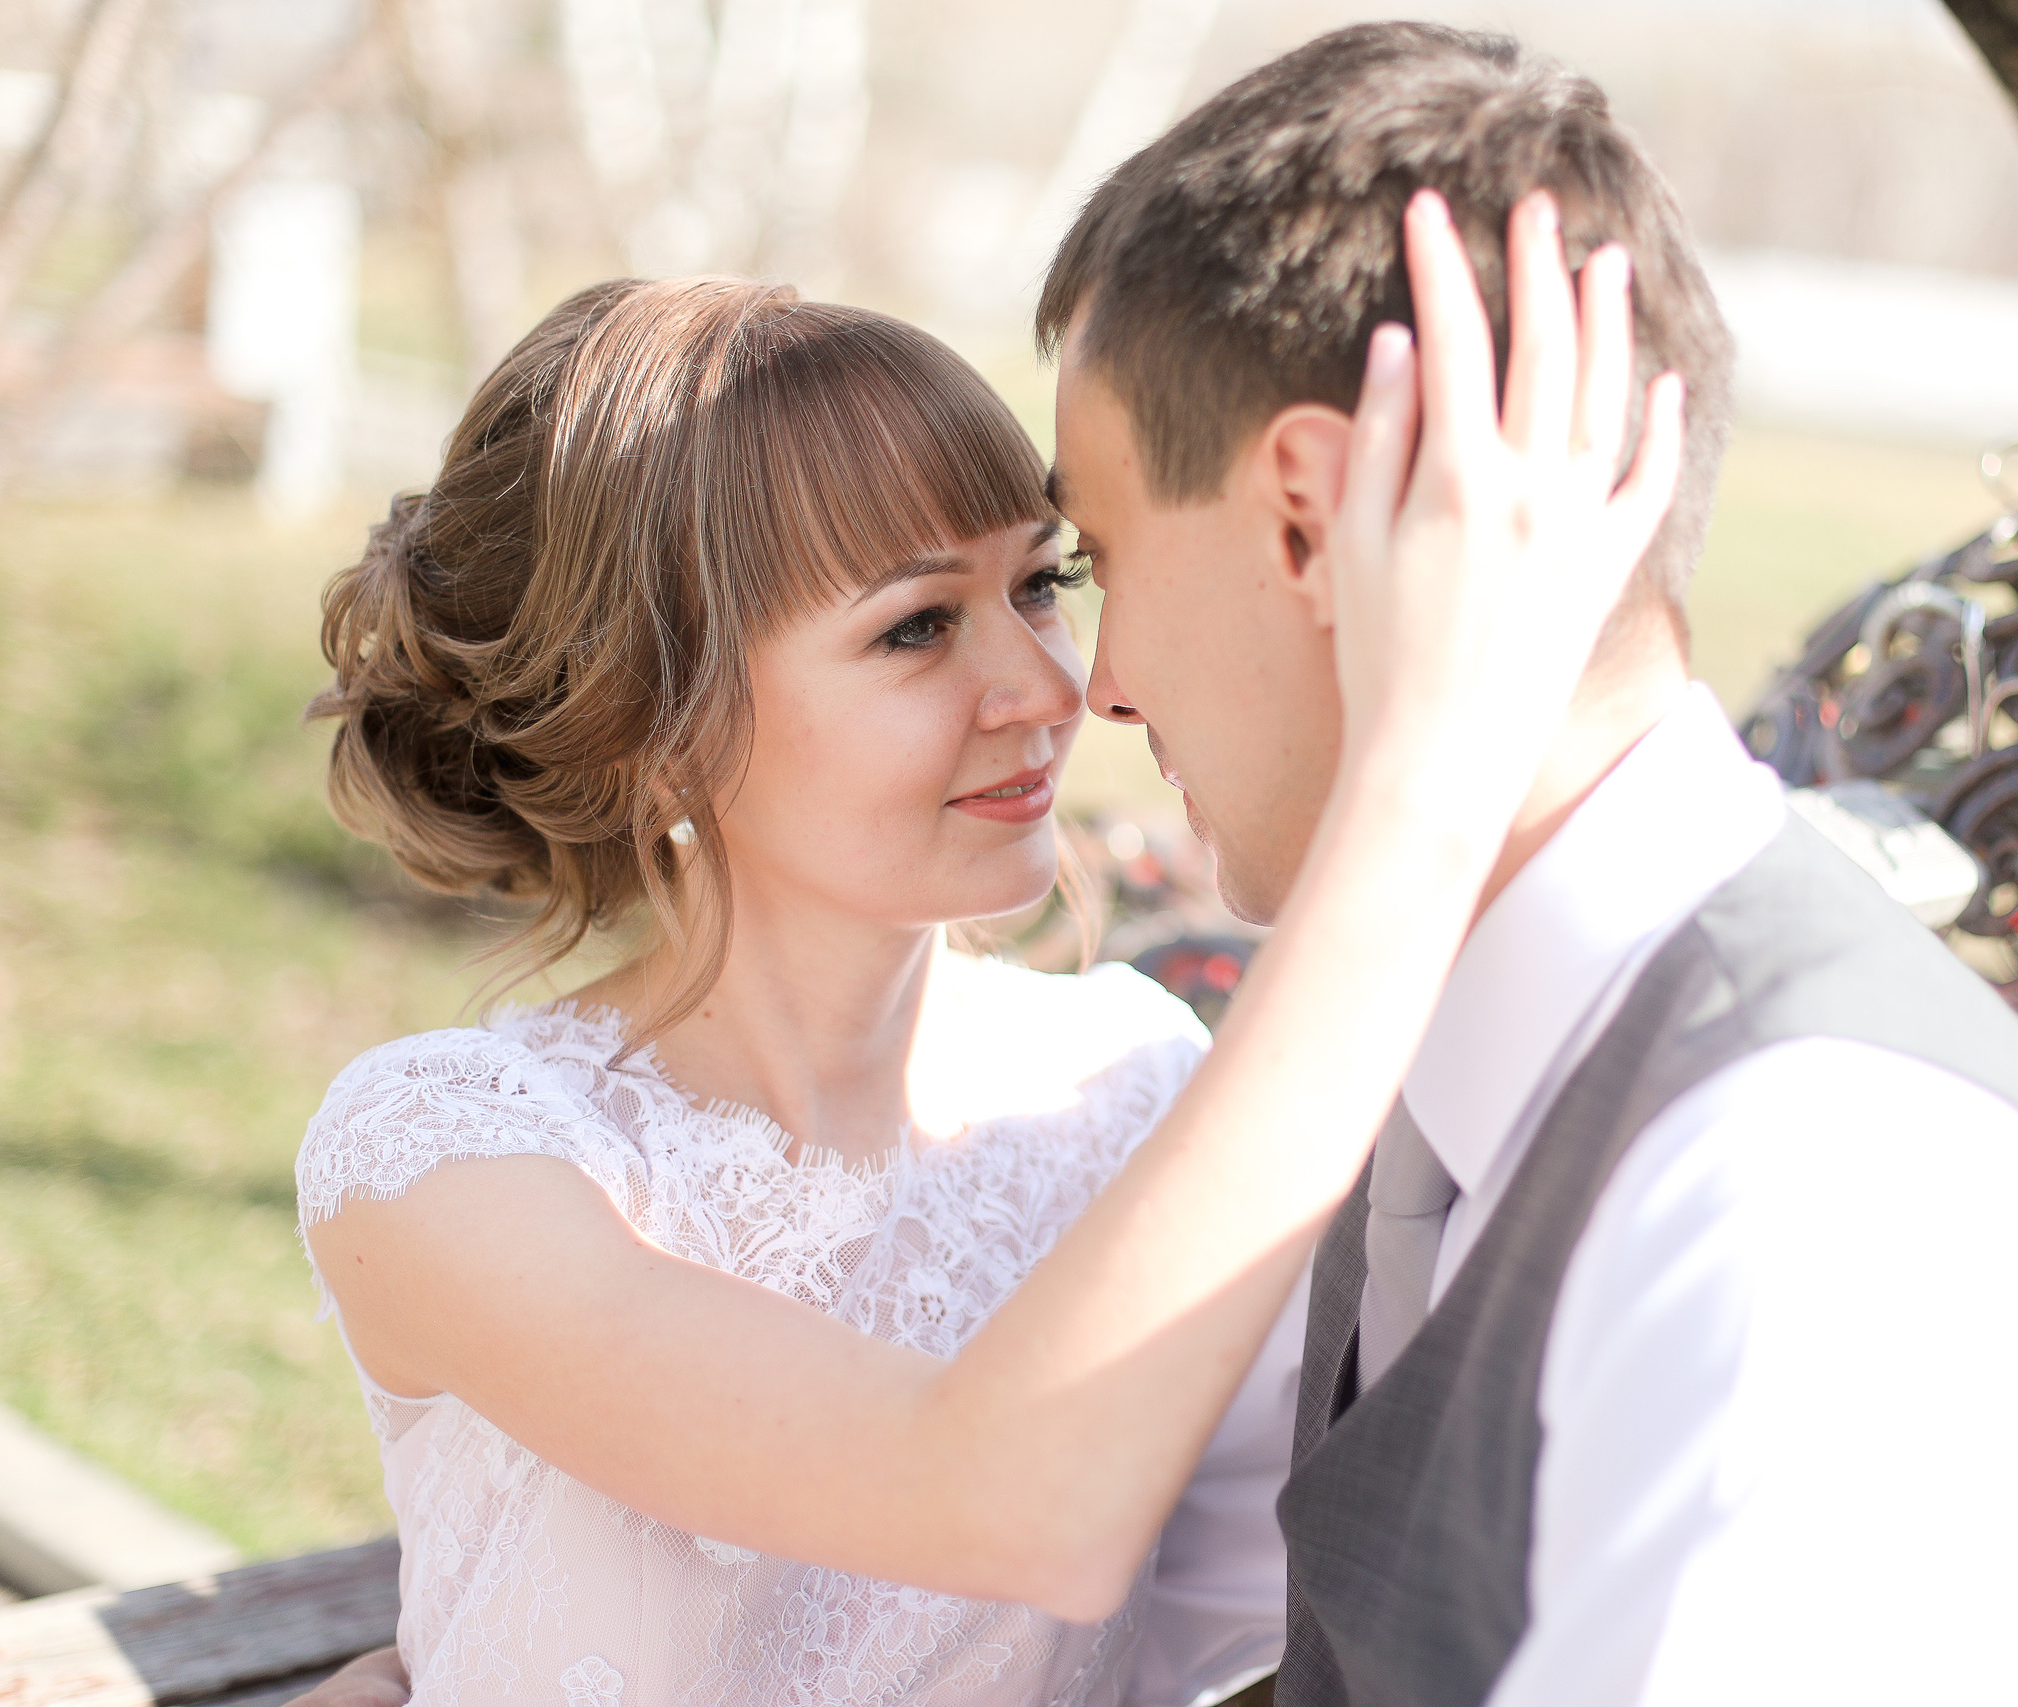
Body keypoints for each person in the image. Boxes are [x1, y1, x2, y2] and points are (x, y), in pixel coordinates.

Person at [284, 164, 1677, 1707]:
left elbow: (1330, 1588)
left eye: (1043, 582)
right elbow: (1014, 1511)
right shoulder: (448, 1158)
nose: (1047, 687)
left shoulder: (1130, 1086)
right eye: (918, 626)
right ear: (660, 733)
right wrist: (1420, 778)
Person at [1034, 21, 2018, 1706]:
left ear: (1310, 513)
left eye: (1104, 551)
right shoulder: (1437, 1095)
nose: (1106, 681)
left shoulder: (1824, 1207)